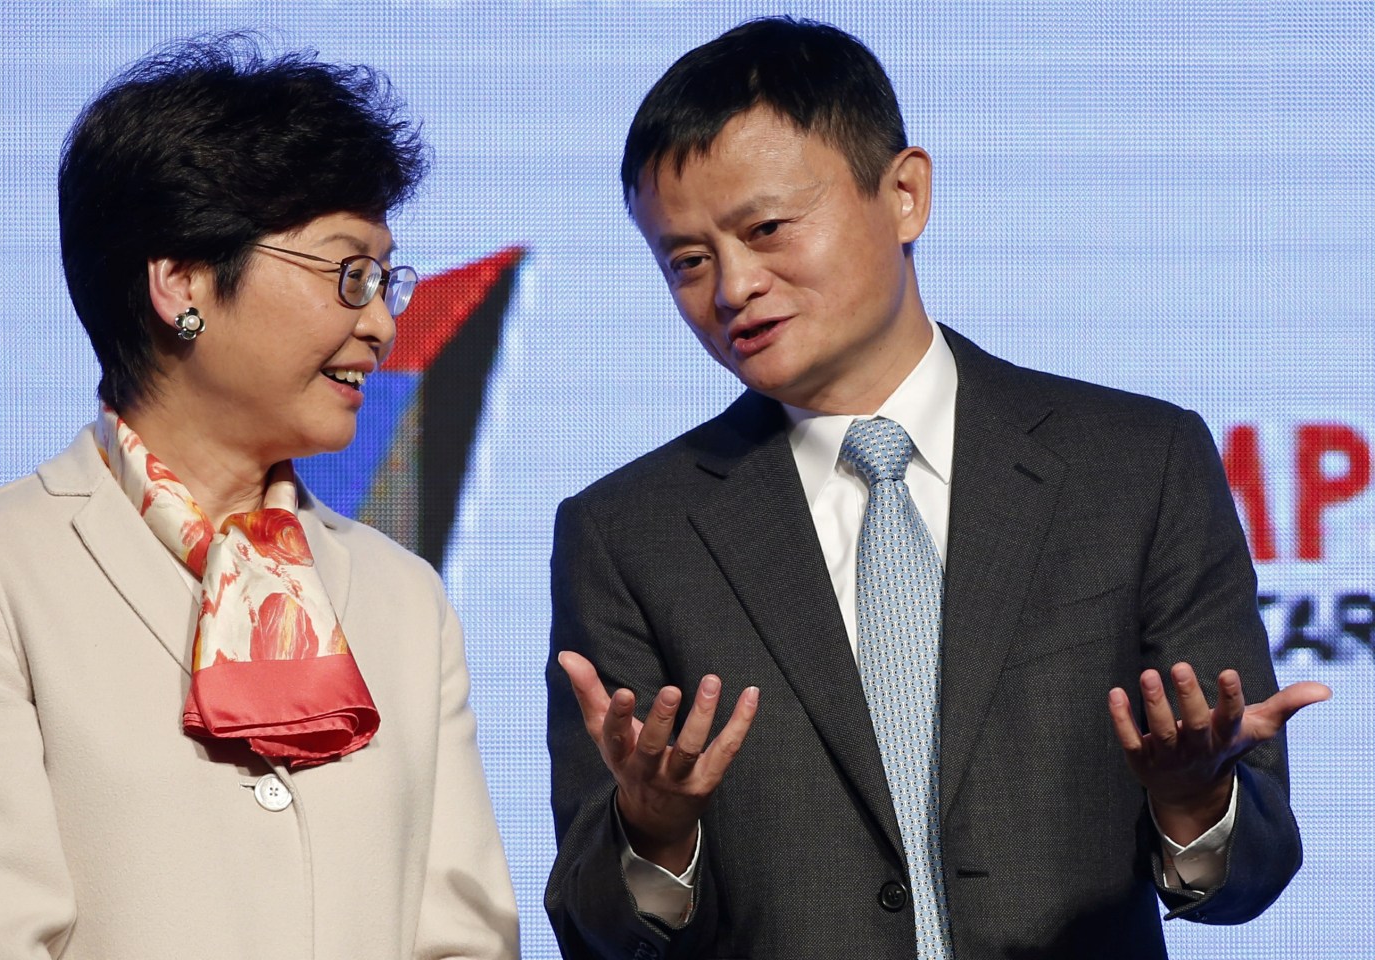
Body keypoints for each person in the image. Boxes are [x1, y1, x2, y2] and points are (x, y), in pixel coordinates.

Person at [545, 17, 1330, 960]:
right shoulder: (630, 532)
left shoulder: (1137, 464)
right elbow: (595, 928)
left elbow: (1249, 876)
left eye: (766, 229)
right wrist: (654, 832)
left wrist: (1197, 798)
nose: (734, 287)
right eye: (688, 260)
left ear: (906, 192)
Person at [0, 35, 518, 959]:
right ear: (184, 285)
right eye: (348, 273)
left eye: (384, 278)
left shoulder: (405, 598)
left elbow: (463, 934)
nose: (381, 321)